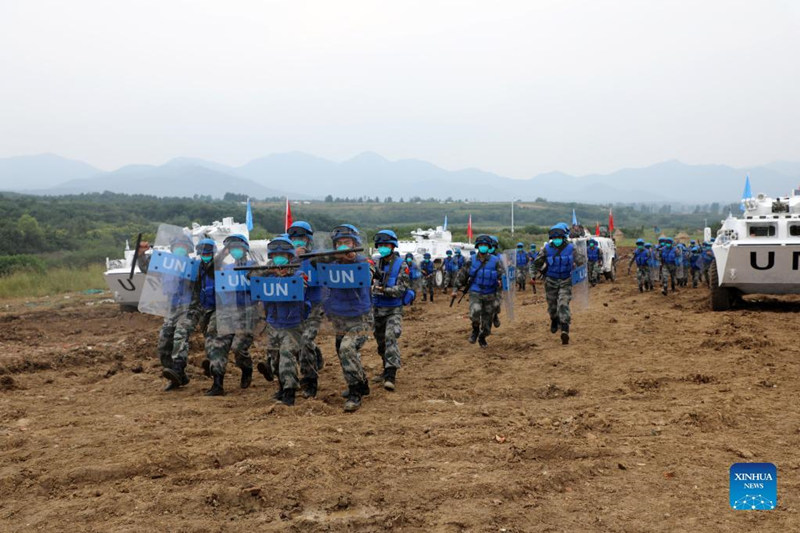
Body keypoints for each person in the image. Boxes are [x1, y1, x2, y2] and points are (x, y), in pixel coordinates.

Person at [137, 233, 213, 392]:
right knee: (164, 342)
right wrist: (141, 254)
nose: (179, 249)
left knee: (180, 334)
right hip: (173, 308)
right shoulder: (166, 265)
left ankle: (178, 368)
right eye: (177, 246)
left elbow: (210, 270)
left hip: (191, 308)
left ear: (188, 249)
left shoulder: (195, 266)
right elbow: (146, 267)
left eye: (183, 246)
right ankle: (176, 376)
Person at [324, 224, 372, 412]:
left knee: (347, 348)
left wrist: (351, 260)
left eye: (348, 243)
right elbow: (312, 265)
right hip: (340, 317)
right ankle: (361, 382)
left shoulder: (364, 263)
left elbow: (369, 275)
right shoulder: (330, 265)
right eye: (340, 244)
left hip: (361, 318)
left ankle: (355, 393)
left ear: (355, 244)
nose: (343, 246)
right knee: (343, 353)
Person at [257, 237, 311, 406]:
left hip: (292, 324)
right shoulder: (267, 275)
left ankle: (290, 392)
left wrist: (285, 276)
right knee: (275, 358)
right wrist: (268, 271)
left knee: (287, 356)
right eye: (276, 255)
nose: (279, 259)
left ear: (289, 257)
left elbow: (302, 286)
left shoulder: (298, 274)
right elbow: (250, 277)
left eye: (283, 256)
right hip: (273, 323)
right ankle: (281, 387)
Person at [204, 234, 257, 396]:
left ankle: (246, 368)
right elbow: (210, 269)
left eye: (237, 248)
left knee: (238, 348)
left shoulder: (253, 266)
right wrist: (223, 253)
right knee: (218, 347)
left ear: (245, 249)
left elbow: (259, 282)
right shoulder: (225, 269)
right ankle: (217, 384)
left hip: (246, 313)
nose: (235, 251)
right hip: (226, 311)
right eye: (231, 249)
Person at [282, 220, 324, 398]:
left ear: (308, 240)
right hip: (296, 306)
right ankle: (315, 354)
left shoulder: (318, 257)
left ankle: (310, 381)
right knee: (297, 343)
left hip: (315, 305)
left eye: (301, 238)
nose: (297, 242)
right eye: (294, 238)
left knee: (305, 341)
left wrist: (307, 256)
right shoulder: (286, 259)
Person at [371, 230, 411, 391]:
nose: (383, 248)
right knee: (381, 343)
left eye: (386, 245)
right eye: (380, 245)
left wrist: (382, 290)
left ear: (393, 246)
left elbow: (401, 289)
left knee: (390, 338)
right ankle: (385, 367)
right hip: (376, 309)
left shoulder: (401, 265)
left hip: (393, 309)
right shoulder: (375, 264)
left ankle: (390, 375)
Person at [452, 234, 505, 348]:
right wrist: (455, 289)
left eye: (485, 245)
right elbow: (462, 275)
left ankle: (482, 336)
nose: (483, 247)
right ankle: (475, 330)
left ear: (489, 246)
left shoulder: (496, 261)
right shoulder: (471, 261)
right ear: (477, 246)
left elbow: (503, 275)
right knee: (474, 313)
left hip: (490, 293)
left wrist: (501, 282)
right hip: (475, 292)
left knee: (487, 324)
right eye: (481, 245)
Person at [532, 223, 580, 345]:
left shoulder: (571, 248)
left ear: (564, 238)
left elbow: (581, 260)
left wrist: (581, 271)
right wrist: (535, 273)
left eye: (559, 238)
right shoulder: (546, 249)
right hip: (551, 281)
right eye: (555, 238)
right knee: (552, 306)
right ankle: (554, 319)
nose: (557, 240)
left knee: (563, 304)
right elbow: (536, 263)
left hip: (566, 280)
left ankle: (565, 330)